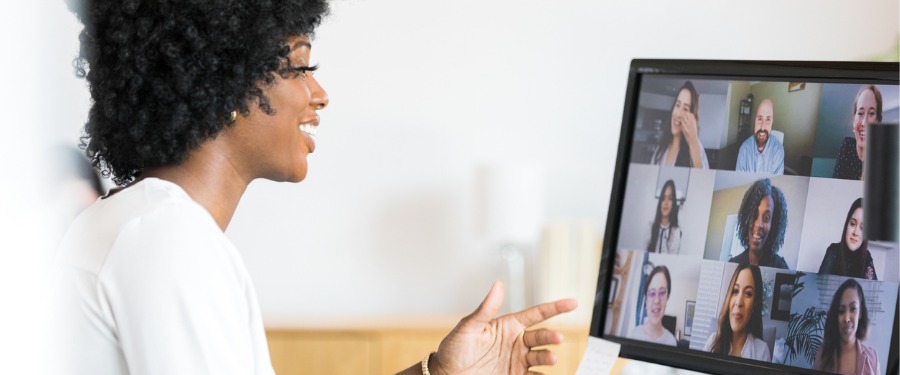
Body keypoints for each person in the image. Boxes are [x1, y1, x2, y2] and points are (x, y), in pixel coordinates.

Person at [52, 1, 577, 374]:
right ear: (228, 83)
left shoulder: (140, 224)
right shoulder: (167, 241)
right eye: (301, 68)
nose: (319, 94)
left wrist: (437, 374)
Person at [812, 279, 880, 375]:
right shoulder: (822, 355)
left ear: (860, 313)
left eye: (853, 309)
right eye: (841, 310)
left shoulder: (872, 359)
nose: (847, 319)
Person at [704, 264, 770, 361]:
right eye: (735, 291)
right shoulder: (712, 342)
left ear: (754, 305)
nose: (738, 302)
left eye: (748, 294)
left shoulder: (762, 351)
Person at [728, 178, 789, 269]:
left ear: (773, 225)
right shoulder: (733, 265)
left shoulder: (780, 268)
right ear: (746, 217)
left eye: (766, 218)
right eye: (754, 214)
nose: (758, 224)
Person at [650, 81, 710, 169]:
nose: (678, 114)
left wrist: (693, 141)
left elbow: (702, 179)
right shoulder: (661, 147)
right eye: (677, 105)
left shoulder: (696, 148)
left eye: (685, 109)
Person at [818, 198, 878, 280]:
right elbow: (819, 287)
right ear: (847, 225)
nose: (856, 233)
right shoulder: (833, 251)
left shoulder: (867, 257)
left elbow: (873, 290)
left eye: (862, 228)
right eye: (852, 224)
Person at [833, 85, 883, 180]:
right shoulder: (847, 145)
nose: (864, 123)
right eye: (860, 113)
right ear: (853, 120)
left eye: (871, 113)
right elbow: (836, 186)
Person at [735, 99, 785, 174]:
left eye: (768, 119)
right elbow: (737, 180)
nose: (762, 127)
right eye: (760, 119)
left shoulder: (778, 151)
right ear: (755, 120)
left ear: (772, 122)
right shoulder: (744, 149)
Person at [647, 180, 682, 254]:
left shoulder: (676, 231)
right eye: (663, 198)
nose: (666, 203)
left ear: (674, 203)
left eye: (670, 199)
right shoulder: (650, 227)